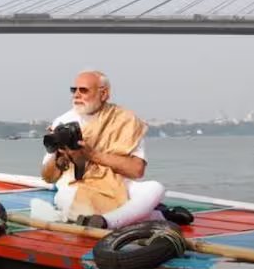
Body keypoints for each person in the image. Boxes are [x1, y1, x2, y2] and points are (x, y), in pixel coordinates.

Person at [37, 70, 192, 229]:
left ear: (103, 94)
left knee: (155, 188)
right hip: (76, 185)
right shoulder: (63, 122)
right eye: (73, 90)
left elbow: (137, 170)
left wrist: (92, 155)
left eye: (83, 90)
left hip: (116, 183)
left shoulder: (125, 120)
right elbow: (48, 177)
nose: (76, 95)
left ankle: (106, 221)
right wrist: (59, 155)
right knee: (75, 206)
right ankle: (158, 216)